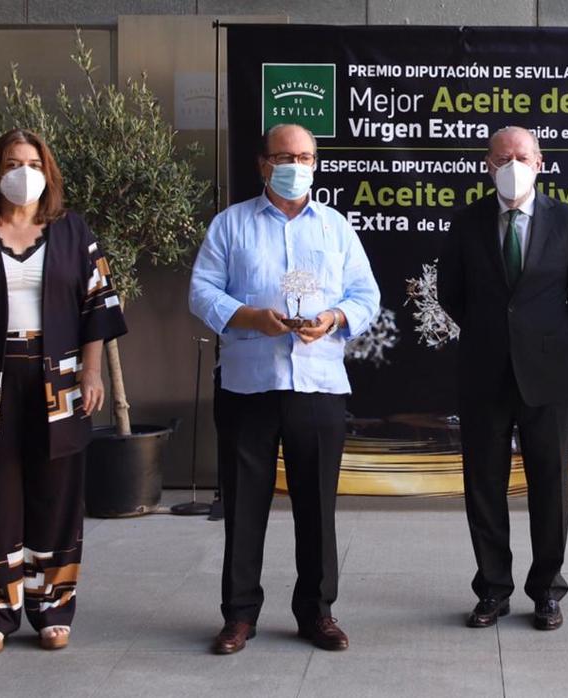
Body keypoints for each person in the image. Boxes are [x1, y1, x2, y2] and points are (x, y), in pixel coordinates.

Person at [0, 128, 126, 655]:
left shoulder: (74, 233)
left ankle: (52, 607)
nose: (24, 172)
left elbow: (98, 309)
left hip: (59, 380)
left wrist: (92, 374)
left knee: (58, 493)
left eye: (34, 162)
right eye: (14, 162)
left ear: (49, 171)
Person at [189, 123, 380, 654]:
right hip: (248, 386)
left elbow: (367, 294)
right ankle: (239, 616)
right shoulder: (231, 225)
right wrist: (247, 315)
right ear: (262, 163)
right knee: (244, 505)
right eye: (282, 156)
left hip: (318, 385)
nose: (294, 165)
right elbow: (201, 291)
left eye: (304, 156)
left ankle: (316, 613)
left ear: (316, 162)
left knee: (316, 506)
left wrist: (337, 316)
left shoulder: (336, 227)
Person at [437, 126, 568, 631]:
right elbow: (450, 293)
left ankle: (548, 591)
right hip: (484, 370)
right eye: (503, 157)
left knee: (550, 484)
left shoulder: (567, 219)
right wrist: (494, 334)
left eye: (522, 156)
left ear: (540, 162)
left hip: (546, 373)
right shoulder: (466, 222)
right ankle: (492, 589)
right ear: (488, 164)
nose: (513, 165)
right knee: (483, 484)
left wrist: (545, 336)